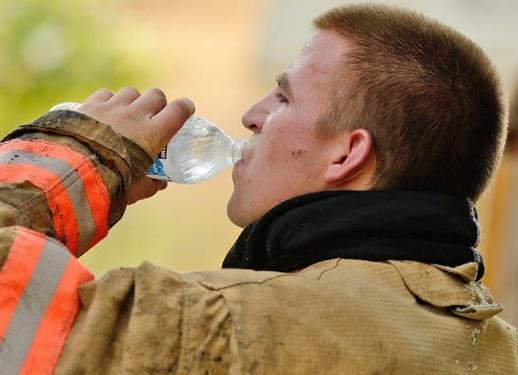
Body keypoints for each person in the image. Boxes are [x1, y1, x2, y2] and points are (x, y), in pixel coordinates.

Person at [0, 4, 516, 374]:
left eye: (283, 99)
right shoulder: (501, 350)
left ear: (347, 154)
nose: (250, 117)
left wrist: (83, 156)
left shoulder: (220, 324)